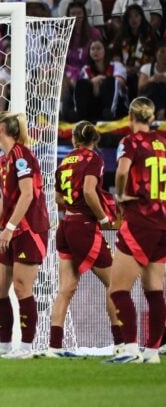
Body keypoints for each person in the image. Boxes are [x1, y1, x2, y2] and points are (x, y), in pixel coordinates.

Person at [47, 121, 123, 357]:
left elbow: (58, 198)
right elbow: (90, 191)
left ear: (74, 140)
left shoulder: (65, 160)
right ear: (95, 140)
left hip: (66, 225)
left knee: (65, 289)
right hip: (84, 226)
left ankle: (54, 347)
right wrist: (101, 217)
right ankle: (121, 344)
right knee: (115, 284)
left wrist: (75, 204)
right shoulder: (94, 159)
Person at [0, 111, 49, 359]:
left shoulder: (22, 155)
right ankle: (5, 345)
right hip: (10, 229)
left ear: (0, 130)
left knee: (21, 287)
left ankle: (27, 347)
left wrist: (9, 228)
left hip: (30, 228)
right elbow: (5, 201)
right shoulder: (3, 161)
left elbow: (28, 195)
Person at [107, 97, 166, 364]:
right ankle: (152, 352)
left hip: (141, 221)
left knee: (118, 289)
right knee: (154, 290)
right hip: (163, 221)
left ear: (131, 117)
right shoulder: (164, 143)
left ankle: (130, 349)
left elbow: (122, 171)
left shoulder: (130, 142)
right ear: (151, 117)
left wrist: (120, 194)